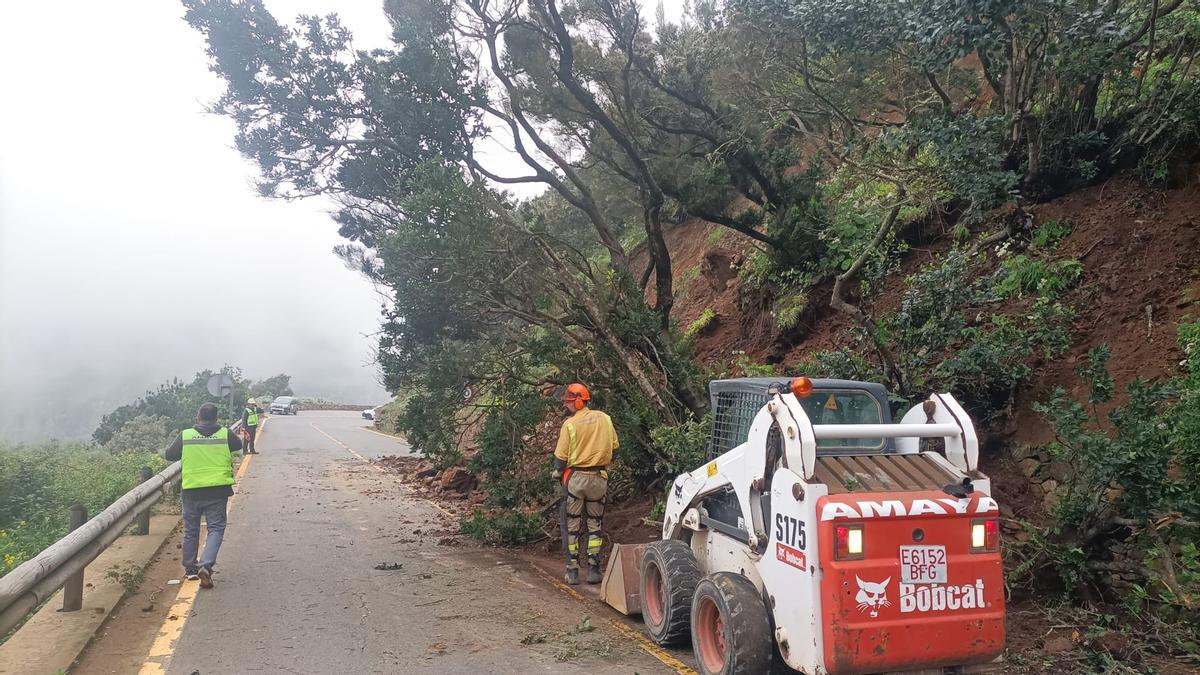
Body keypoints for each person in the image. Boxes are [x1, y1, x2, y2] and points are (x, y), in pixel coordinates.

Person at [166, 402, 242, 589]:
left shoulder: (186, 435)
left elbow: (169, 455)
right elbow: (238, 445)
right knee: (215, 529)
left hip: (191, 490)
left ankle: (190, 569)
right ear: (216, 418)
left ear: (198, 417)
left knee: (191, 529)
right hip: (217, 490)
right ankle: (206, 566)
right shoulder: (225, 433)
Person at [552, 383, 618, 585]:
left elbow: (561, 458)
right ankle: (594, 569)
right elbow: (615, 449)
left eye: (569, 402)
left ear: (578, 402)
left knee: (571, 526)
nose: (567, 406)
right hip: (599, 479)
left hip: (576, 481)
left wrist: (557, 472)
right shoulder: (605, 419)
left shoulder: (570, 425)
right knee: (595, 526)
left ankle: (572, 571)